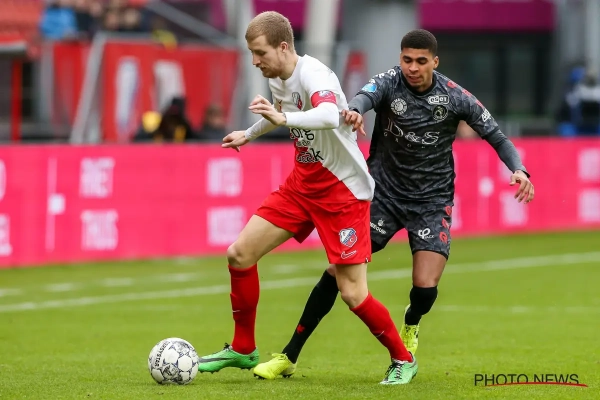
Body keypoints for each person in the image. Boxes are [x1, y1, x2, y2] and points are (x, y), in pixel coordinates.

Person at [253, 29, 535, 380]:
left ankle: (411, 322)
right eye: (407, 60)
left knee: (425, 286)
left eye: (421, 61)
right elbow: (362, 97)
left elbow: (496, 135)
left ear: (435, 62)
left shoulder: (455, 97)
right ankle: (289, 354)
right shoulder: (388, 81)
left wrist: (519, 169)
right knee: (337, 274)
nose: (412, 68)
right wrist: (355, 112)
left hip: (431, 202)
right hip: (382, 197)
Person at [196, 11, 416, 385]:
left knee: (352, 293)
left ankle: (403, 358)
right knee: (239, 254)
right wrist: (249, 133)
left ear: (283, 47)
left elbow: (329, 115)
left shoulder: (315, 74)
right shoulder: (278, 76)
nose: (255, 61)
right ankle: (243, 348)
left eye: (260, 52)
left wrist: (283, 121)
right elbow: (281, 112)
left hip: (342, 192)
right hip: (301, 187)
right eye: (252, 53)